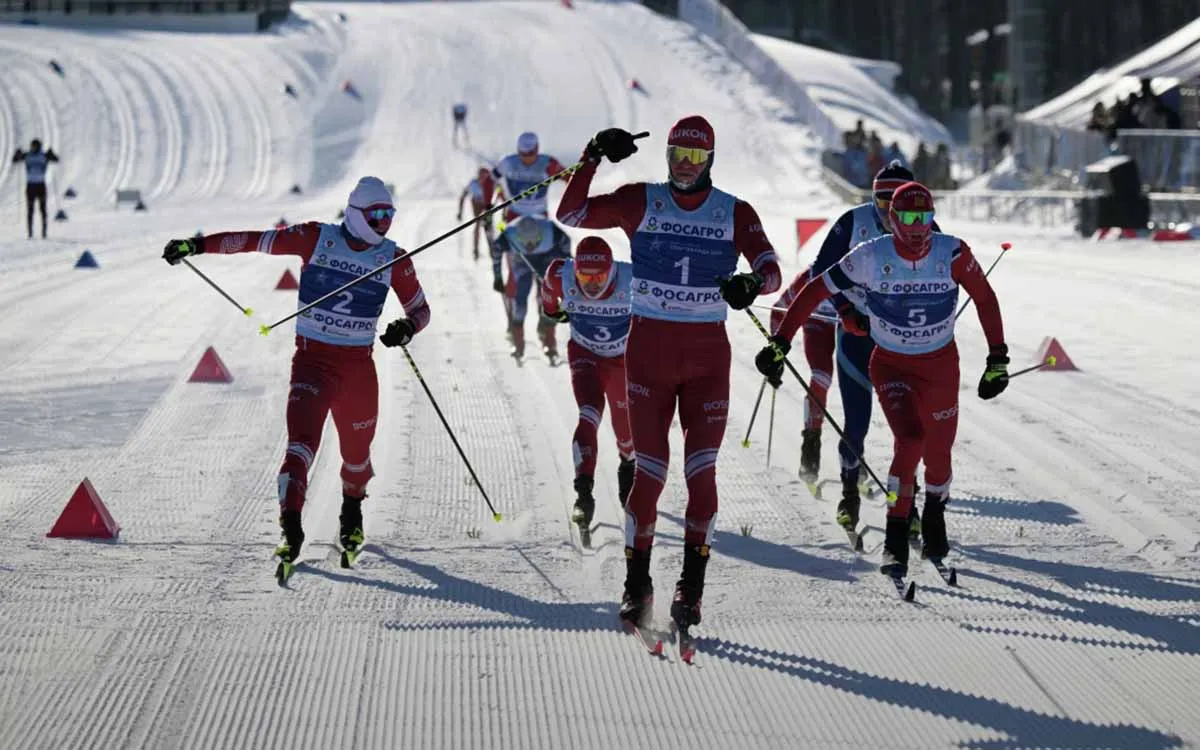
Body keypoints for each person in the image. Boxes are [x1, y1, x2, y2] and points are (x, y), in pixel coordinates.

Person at [557, 116, 782, 633]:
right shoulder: (641, 200)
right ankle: (637, 588)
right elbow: (571, 212)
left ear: (710, 161)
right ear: (667, 157)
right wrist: (590, 154)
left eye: (695, 158)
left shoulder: (734, 211)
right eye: (678, 155)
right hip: (649, 358)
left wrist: (752, 283)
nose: (685, 166)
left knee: (701, 475)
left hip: (707, 363)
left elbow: (771, 269)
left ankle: (691, 587)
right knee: (648, 480)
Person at [159, 177, 432, 575]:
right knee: (300, 447)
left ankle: (351, 515)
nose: (383, 223)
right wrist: (196, 245)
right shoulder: (315, 238)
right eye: (376, 215)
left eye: (389, 215)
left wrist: (405, 328)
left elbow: (421, 310)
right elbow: (253, 239)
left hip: (358, 369)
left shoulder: (394, 258)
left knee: (356, 458)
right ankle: (290, 528)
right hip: (312, 364)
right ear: (355, 214)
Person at [755, 181, 1008, 577]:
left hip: (941, 367)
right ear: (891, 219)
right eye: (907, 216)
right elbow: (813, 289)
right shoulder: (870, 255)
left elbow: (986, 297)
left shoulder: (952, 251)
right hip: (892, 365)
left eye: (924, 217)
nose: (917, 226)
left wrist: (998, 359)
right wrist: (780, 342)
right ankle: (895, 539)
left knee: (938, 456)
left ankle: (935, 513)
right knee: (909, 440)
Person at [803, 161, 939, 538]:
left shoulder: (928, 230)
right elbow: (819, 271)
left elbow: (943, 278)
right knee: (857, 422)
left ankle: (906, 507)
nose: (886, 208)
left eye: (894, 200)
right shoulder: (852, 222)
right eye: (880, 199)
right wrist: (845, 311)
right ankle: (849, 497)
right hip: (857, 335)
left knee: (910, 429)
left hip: (901, 343)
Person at [540, 236, 636, 532]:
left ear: (612, 270)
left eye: (600, 276)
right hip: (586, 355)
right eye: (585, 275)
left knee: (627, 436)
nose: (592, 283)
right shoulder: (558, 274)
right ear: (575, 269)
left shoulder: (633, 277)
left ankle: (628, 465)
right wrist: (555, 313)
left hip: (623, 361)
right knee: (589, 412)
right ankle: (583, 493)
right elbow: (548, 304)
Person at [491, 215, 571, 363]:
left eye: (535, 242)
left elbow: (567, 248)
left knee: (548, 301)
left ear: (541, 235)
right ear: (519, 238)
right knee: (520, 303)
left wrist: (565, 271)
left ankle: (549, 341)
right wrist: (497, 277)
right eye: (526, 243)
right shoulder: (509, 235)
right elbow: (496, 251)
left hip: (546, 259)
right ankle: (518, 343)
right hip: (522, 262)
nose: (530, 246)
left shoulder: (552, 230)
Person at [492, 132, 568, 222]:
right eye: (523, 154)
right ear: (518, 150)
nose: (527, 158)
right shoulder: (507, 162)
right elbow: (492, 179)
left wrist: (569, 202)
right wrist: (499, 193)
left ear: (537, 148)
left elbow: (570, 179)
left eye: (530, 154)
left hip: (540, 215)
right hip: (514, 214)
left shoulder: (548, 163)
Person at [11, 139, 59, 239]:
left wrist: (51, 154)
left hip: (40, 186)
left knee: (43, 210)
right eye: (31, 146)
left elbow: (56, 160)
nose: (32, 148)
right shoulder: (27, 155)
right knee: (30, 210)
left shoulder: (43, 156)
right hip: (30, 186)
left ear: (38, 146)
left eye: (34, 146)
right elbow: (15, 160)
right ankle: (30, 233)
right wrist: (17, 154)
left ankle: (44, 233)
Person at [457, 166, 497, 261]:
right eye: (482, 176)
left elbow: (500, 193)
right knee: (477, 225)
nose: (483, 179)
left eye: (486, 177)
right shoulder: (473, 184)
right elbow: (463, 196)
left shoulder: (491, 183)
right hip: (477, 207)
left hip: (487, 206)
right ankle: (476, 250)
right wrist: (460, 212)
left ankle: (491, 250)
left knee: (489, 227)